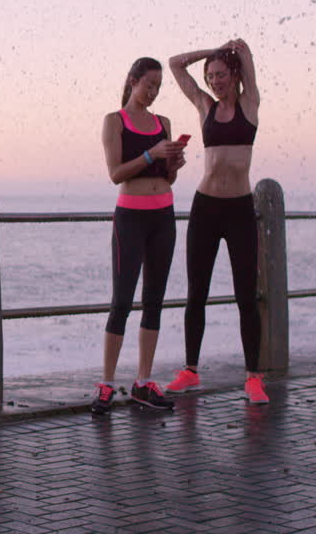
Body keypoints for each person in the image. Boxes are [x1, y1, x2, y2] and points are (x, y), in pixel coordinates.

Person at [165, 39, 270, 405]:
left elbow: (245, 52)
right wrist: (211, 49)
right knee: (197, 293)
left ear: (235, 75)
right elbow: (175, 63)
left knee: (245, 296)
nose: (214, 81)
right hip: (205, 208)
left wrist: (234, 51)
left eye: (220, 74)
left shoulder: (250, 103)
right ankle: (190, 370)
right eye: (210, 76)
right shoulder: (204, 106)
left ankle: (253, 377)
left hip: (239, 209)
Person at [91, 57, 188, 415]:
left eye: (158, 88)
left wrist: (172, 164)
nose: (153, 92)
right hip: (130, 217)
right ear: (132, 81)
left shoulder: (163, 123)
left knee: (154, 299)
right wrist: (151, 153)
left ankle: (143, 381)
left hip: (163, 215)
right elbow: (116, 173)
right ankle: (106, 382)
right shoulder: (114, 121)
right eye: (149, 85)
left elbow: (167, 177)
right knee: (122, 301)